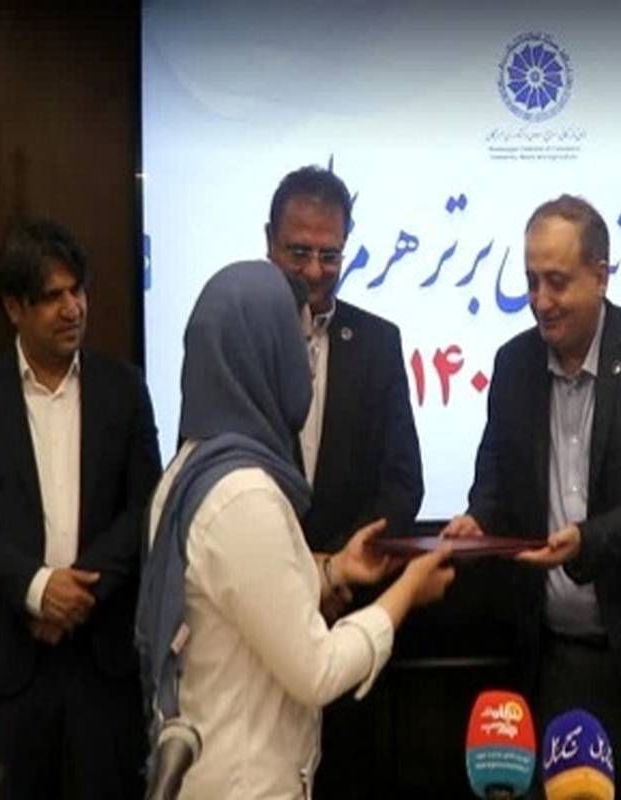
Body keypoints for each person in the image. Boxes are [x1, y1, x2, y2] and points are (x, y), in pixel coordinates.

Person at [136, 260, 453, 799]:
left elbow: (242, 599)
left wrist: (333, 571)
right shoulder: (243, 497)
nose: (307, 368)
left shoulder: (192, 467)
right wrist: (406, 593)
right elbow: (318, 671)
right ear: (263, 355)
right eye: (299, 346)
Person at [443, 195, 621, 800]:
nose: (540, 300)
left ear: (600, 274)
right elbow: (495, 475)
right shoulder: (514, 365)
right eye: (531, 281)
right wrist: (477, 520)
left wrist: (587, 542)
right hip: (554, 662)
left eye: (557, 281)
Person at [0, 219, 162, 799]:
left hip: (104, 654)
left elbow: (147, 504)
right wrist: (39, 588)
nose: (73, 309)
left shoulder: (124, 387)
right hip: (13, 656)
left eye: (78, 291)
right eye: (52, 297)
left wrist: (77, 591)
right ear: (14, 308)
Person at [264, 165, 424, 796]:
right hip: (259, 617)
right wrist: (304, 574)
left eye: (329, 255)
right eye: (298, 251)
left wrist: (336, 575)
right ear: (269, 242)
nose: (314, 270)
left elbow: (403, 484)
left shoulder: (378, 342)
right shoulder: (241, 337)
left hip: (351, 614)